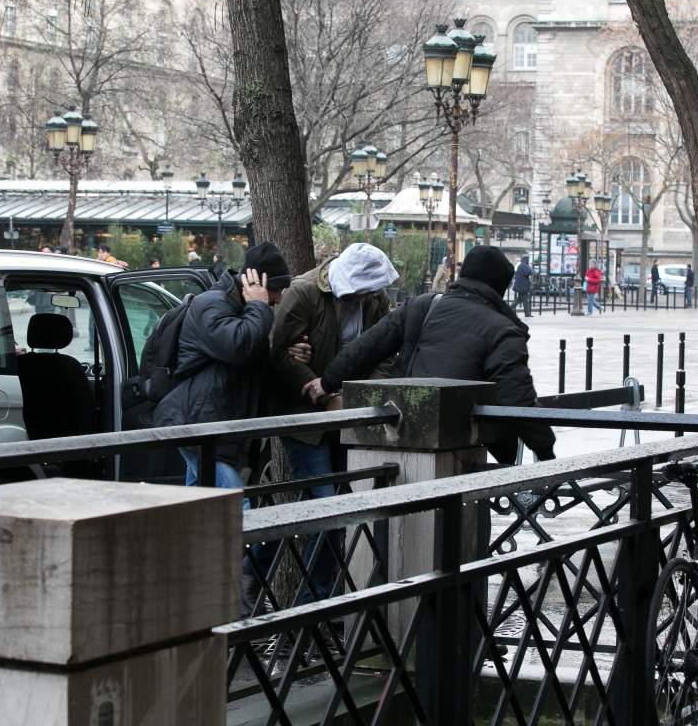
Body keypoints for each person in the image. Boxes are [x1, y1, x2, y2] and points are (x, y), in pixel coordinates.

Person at [302, 245, 556, 465]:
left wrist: (327, 382)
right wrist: (546, 452)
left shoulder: (425, 305)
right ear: (500, 286)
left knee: (398, 513)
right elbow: (518, 398)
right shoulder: (504, 331)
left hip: (401, 425)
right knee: (459, 515)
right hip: (461, 440)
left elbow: (368, 346)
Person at [267, 242, 397, 603]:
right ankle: (307, 602)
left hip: (347, 415)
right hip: (307, 420)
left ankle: (316, 599)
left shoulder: (375, 299)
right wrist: (322, 395)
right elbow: (281, 353)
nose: (369, 296)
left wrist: (353, 398)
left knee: (337, 506)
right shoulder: (305, 292)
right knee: (327, 508)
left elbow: (385, 351)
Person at [153, 241, 291, 489]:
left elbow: (252, 363)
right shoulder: (212, 304)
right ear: (257, 284)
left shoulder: (243, 309)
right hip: (196, 424)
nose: (280, 296)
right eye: (277, 288)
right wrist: (258, 305)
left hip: (213, 423)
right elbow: (239, 346)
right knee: (236, 503)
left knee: (199, 504)